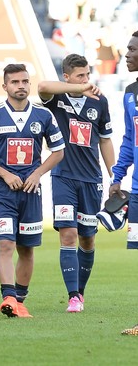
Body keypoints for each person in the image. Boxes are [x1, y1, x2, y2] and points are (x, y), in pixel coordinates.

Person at [0, 63, 65, 318]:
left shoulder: (44, 116)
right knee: (5, 244)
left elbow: (58, 152)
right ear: (5, 86)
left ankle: (20, 299)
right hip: (3, 192)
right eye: (15, 82)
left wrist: (36, 174)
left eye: (24, 81)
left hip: (31, 193)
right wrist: (4, 173)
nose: (20, 86)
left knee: (27, 249)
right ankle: (8, 297)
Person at [37, 53, 115, 313]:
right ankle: (73, 296)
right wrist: (78, 87)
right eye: (80, 76)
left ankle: (80, 291)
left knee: (87, 240)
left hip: (92, 180)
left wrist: (114, 173)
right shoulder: (57, 98)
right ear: (67, 77)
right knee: (68, 234)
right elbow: (42, 87)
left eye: (87, 75)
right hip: (63, 177)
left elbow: (105, 139)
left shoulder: (99, 102)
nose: (86, 80)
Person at [109, 31, 138, 335]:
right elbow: (130, 139)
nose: (126, 54)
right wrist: (117, 176)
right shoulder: (129, 92)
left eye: (131, 49)